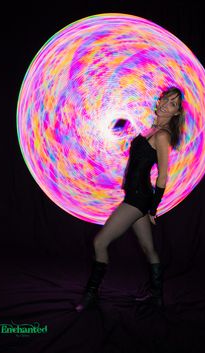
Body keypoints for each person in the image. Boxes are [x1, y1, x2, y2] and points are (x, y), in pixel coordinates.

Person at [75, 87, 185, 312]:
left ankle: (91, 295)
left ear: (176, 113)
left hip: (139, 198)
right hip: (136, 195)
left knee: (99, 242)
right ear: (160, 100)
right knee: (148, 247)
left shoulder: (162, 135)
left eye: (173, 104)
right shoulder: (150, 130)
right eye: (166, 99)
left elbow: (163, 176)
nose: (167, 104)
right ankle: (157, 297)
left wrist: (153, 208)